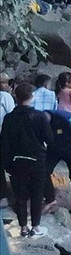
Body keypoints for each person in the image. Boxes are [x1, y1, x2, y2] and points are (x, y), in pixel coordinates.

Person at [0, 83, 53, 238]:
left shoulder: (9, 118)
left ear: (16, 97)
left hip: (16, 160)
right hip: (37, 160)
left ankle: (23, 227)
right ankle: (35, 227)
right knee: (37, 194)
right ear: (32, 97)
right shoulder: (40, 116)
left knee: (20, 195)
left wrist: (6, 163)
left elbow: (5, 143)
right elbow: (49, 139)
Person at [44, 109, 71, 223]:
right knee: (43, 171)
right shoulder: (39, 120)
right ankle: (51, 200)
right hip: (54, 148)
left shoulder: (63, 117)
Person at [0, 73, 15, 205]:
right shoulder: (5, 96)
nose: (6, 85)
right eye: (4, 82)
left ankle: (4, 196)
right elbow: (12, 115)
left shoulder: (5, 96)